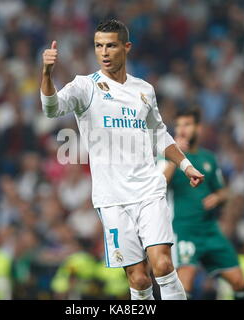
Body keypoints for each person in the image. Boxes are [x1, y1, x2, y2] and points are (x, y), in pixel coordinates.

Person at [40, 19, 204, 300]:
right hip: (112, 198)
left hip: (149, 190)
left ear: (126, 47)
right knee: (139, 280)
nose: (104, 52)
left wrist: (186, 165)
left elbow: (159, 134)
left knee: (162, 264)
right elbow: (51, 109)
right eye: (98, 46)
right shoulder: (84, 87)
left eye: (111, 45)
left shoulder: (144, 90)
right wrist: (46, 74)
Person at [162, 108, 244, 300]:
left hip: (210, 230)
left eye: (187, 125)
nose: (182, 129)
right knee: (185, 285)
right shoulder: (168, 156)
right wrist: (176, 158)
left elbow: (224, 190)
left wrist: (218, 198)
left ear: (198, 129)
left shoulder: (208, 158)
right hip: (184, 229)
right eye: (178, 125)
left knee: (240, 282)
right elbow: (158, 184)